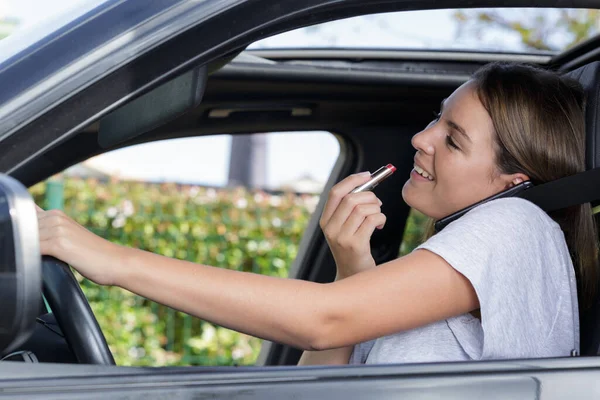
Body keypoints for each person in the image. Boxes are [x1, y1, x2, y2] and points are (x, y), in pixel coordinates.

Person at [36, 62, 598, 365]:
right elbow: (321, 385)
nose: (420, 138)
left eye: (452, 140)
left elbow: (323, 319)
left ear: (514, 180)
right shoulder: (469, 249)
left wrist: (110, 260)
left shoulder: (515, 226)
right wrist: (352, 267)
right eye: (436, 118)